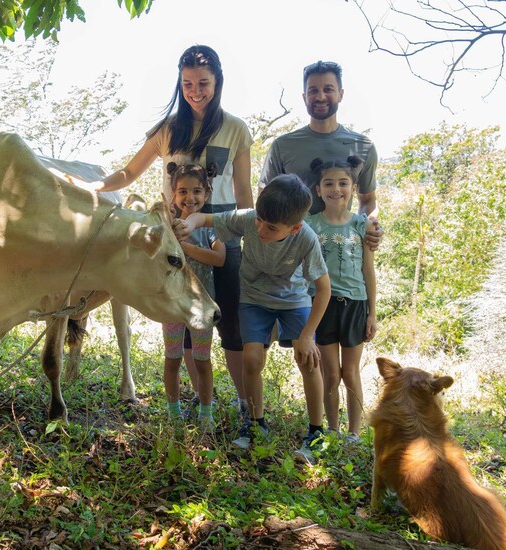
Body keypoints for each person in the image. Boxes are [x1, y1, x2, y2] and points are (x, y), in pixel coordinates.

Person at [65, 45, 253, 414]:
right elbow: (129, 172)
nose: (195, 91)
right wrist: (93, 186)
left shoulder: (235, 129)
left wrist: (251, 240)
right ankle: (202, 403)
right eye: (187, 83)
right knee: (183, 320)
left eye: (203, 82)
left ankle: (246, 405)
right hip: (177, 239)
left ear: (217, 82)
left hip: (223, 237)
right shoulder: (168, 130)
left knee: (230, 323)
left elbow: (245, 192)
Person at [175, 174, 331, 464]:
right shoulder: (249, 218)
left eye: (271, 227)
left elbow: (323, 288)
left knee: (308, 358)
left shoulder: (306, 238)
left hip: (293, 300)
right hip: (254, 299)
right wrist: (188, 224)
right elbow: (203, 220)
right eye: (259, 220)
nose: (260, 229)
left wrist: (308, 335)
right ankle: (256, 423)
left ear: (294, 227)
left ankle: (316, 431)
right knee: (251, 359)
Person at [259, 60, 382, 248]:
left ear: (340, 94)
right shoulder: (283, 146)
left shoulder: (363, 147)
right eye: (313, 91)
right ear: (304, 97)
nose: (321, 96)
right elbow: (263, 199)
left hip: (340, 250)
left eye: (328, 89)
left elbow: (367, 200)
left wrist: (370, 225)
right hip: (290, 250)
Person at [304, 156, 377, 440]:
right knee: (330, 374)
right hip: (321, 305)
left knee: (351, 373)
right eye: (329, 183)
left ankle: (354, 432)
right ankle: (332, 429)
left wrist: (372, 312)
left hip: (355, 304)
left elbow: (368, 271)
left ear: (354, 188)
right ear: (318, 190)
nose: (337, 189)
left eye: (343, 183)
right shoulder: (310, 224)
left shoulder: (362, 225)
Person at [161, 162, 226, 428]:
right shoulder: (167, 226)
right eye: (183, 191)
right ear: (174, 195)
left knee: (202, 360)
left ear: (207, 194)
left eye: (197, 191)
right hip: (172, 305)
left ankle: (206, 413)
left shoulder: (211, 227)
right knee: (172, 357)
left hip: (202, 306)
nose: (190, 197)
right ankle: (174, 412)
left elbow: (219, 258)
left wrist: (185, 248)